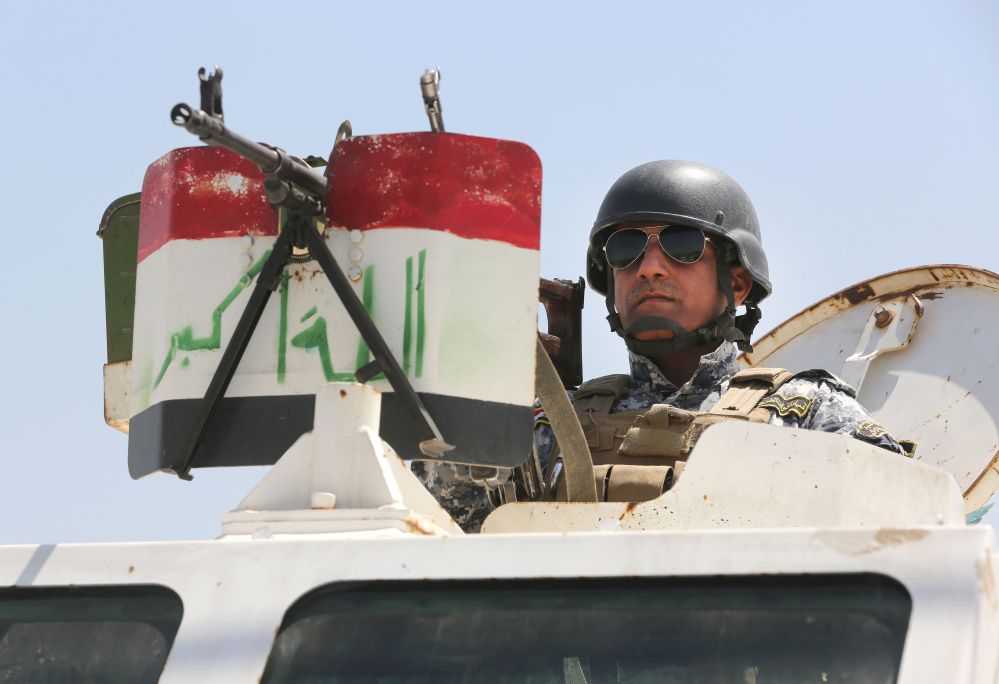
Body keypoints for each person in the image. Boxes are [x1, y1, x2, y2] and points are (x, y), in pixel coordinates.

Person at [415, 160, 906, 532]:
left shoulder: (806, 417)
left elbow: (908, 529)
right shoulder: (543, 434)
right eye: (625, 249)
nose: (649, 267)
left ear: (736, 284)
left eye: (683, 245)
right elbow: (425, 528)